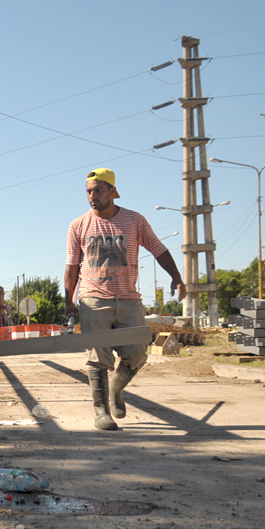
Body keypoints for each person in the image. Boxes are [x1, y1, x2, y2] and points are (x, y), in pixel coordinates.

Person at [64, 168, 185, 431]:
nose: (92, 195)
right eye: (88, 191)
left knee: (138, 352)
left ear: (112, 191)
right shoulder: (78, 225)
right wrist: (68, 300)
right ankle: (101, 412)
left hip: (129, 300)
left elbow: (158, 249)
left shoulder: (134, 221)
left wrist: (176, 276)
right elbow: (72, 267)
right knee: (97, 357)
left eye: (97, 190)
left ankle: (116, 389)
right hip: (93, 300)